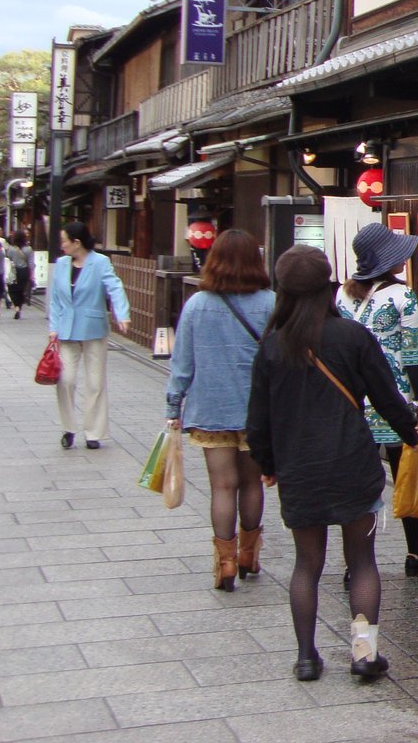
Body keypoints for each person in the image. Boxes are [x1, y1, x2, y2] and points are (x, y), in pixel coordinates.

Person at [246, 245, 418, 683]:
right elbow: (388, 398)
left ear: (281, 291)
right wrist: (411, 436)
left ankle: (306, 657)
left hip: (298, 470)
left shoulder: (272, 347)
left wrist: (268, 464)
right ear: (327, 286)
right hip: (352, 465)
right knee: (362, 560)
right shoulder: (352, 337)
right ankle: (364, 654)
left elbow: (257, 421)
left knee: (307, 564)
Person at [165, 229, 276, 591]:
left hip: (211, 408)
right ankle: (249, 554)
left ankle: (225, 563)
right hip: (258, 410)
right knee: (252, 484)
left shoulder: (198, 304)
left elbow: (182, 362)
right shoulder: (270, 303)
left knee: (222, 486)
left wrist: (173, 404)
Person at [335, 222, 418, 578]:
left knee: (361, 483)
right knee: (406, 474)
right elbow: (412, 354)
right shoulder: (402, 297)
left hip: (353, 400)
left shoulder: (342, 295)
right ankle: (413, 552)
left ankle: (354, 563)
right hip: (395, 401)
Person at [48, 223, 131, 450]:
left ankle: (93, 432)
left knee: (95, 382)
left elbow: (115, 287)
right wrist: (53, 327)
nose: (61, 245)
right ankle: (68, 428)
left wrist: (122, 314)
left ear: (77, 242)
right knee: (65, 380)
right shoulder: (62, 264)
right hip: (66, 330)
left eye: (64, 240)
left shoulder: (100, 262)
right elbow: (55, 299)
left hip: (93, 329)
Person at [5, 230, 33, 320]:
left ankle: (16, 306)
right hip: (24, 271)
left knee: (12, 289)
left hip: (13, 270)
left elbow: (8, 258)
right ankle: (19, 307)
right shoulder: (29, 249)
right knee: (21, 290)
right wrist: (32, 275)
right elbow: (31, 264)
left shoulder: (11, 249)